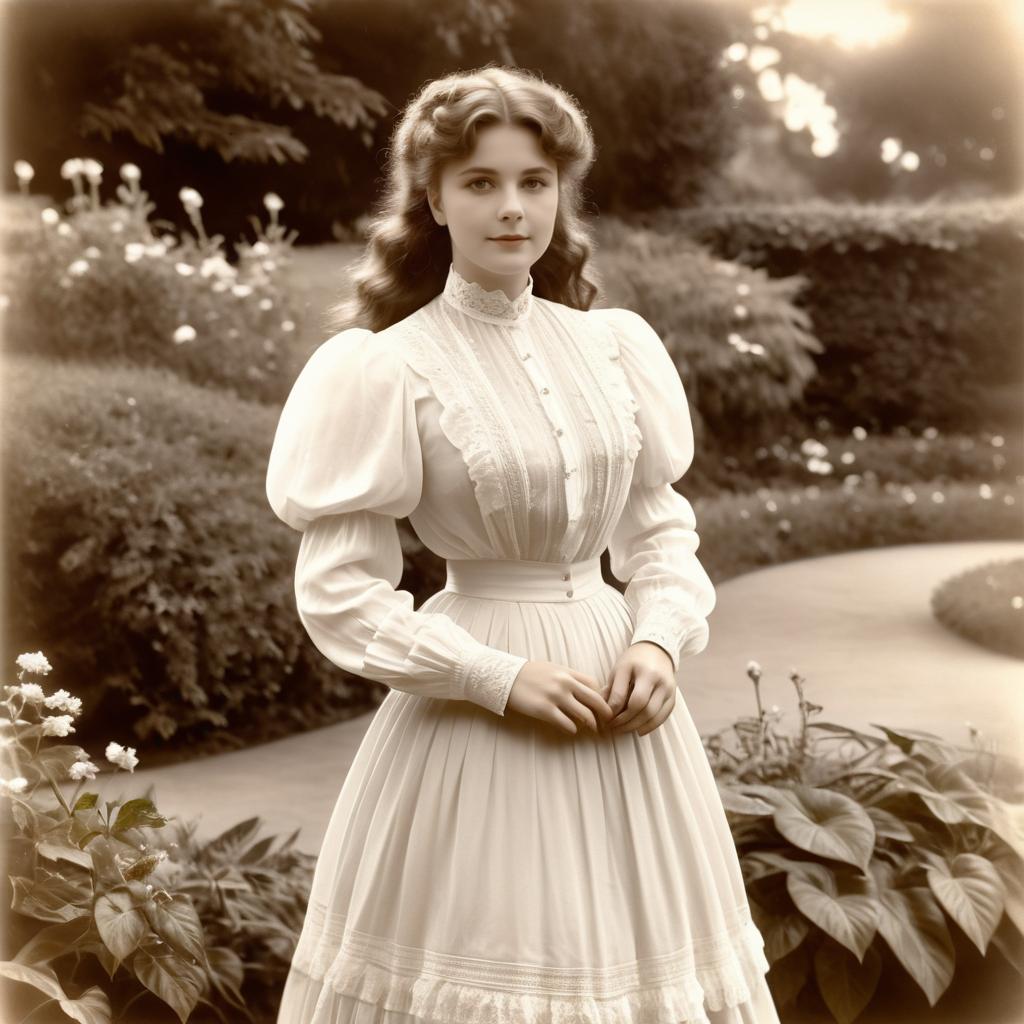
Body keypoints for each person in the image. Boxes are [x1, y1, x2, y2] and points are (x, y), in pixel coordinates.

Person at [267, 64, 781, 1024]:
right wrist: (495, 678)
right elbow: (340, 594)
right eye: (481, 182)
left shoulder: (613, 346)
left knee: (637, 963)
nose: (512, 208)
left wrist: (659, 638)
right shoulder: (384, 367)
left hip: (620, 701)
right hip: (475, 706)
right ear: (435, 198)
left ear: (560, 193)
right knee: (495, 962)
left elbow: (661, 530)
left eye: (534, 183)